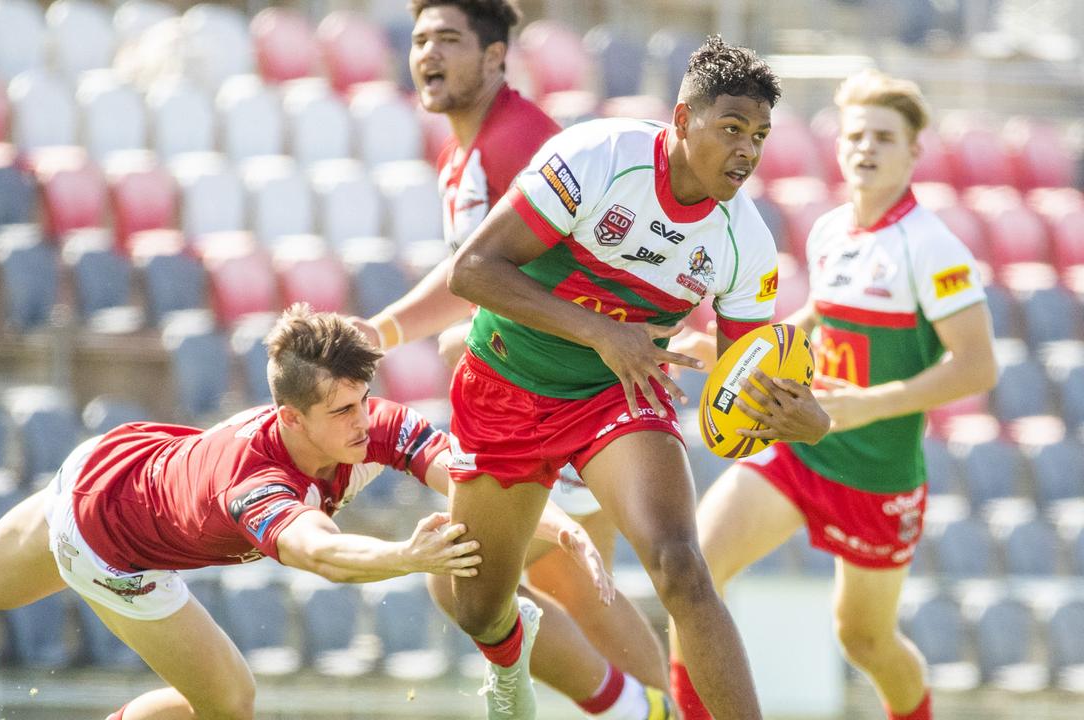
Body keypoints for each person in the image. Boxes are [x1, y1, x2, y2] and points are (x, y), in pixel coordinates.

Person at [0, 304, 610, 720]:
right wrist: (410, 556)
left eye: (363, 399)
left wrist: (547, 520)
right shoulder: (256, 480)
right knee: (231, 702)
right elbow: (323, 554)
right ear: (290, 418)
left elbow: (454, 469)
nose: (363, 421)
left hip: (109, 462)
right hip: (106, 544)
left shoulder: (356, 421)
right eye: (340, 411)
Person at [443, 35, 832, 720]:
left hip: (616, 397)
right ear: (682, 122)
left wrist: (803, 418)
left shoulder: (747, 241)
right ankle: (619, 700)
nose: (747, 150)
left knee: (680, 564)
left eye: (761, 136)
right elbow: (472, 271)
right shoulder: (599, 157)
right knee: (474, 604)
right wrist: (603, 332)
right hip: (505, 379)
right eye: (733, 128)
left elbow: (736, 387)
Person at [355, 1, 673, 717]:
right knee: (583, 590)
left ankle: (631, 709)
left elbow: (549, 265)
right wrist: (411, 332)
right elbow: (483, 274)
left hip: (550, 395)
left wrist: (393, 333)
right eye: (419, 40)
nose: (428, 54)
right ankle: (659, 710)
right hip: (556, 392)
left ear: (496, 58)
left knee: (456, 575)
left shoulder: (521, 140)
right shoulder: (464, 151)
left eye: (449, 39)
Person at [665, 70, 998, 720]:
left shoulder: (932, 247)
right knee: (690, 566)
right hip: (800, 450)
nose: (866, 148)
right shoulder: (829, 231)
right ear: (838, 147)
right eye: (855, 136)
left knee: (864, 639)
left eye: (883, 137)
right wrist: (733, 355)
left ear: (912, 153)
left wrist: (861, 407)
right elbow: (816, 317)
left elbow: (978, 369)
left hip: (876, 473)